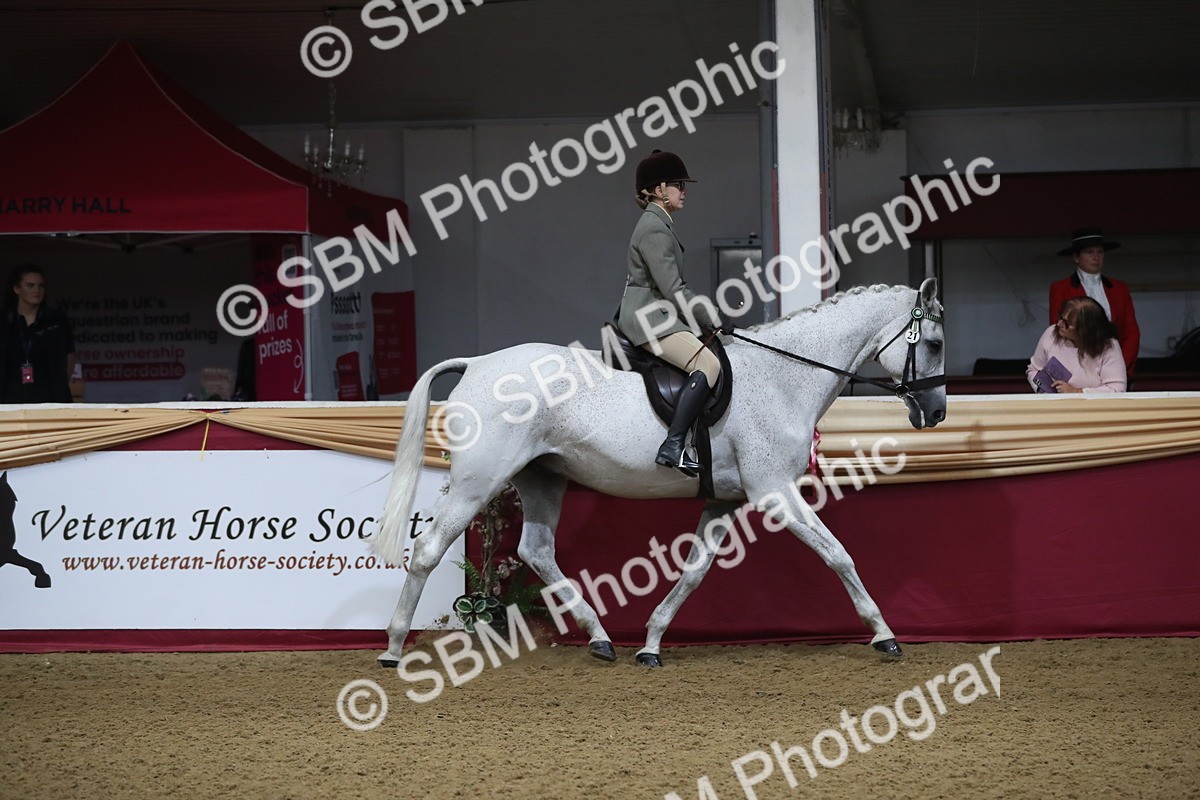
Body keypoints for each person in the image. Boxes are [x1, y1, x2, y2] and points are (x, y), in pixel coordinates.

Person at [616, 150, 727, 474]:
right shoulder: (654, 227)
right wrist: (713, 319)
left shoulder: (659, 223)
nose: (684, 190)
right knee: (708, 363)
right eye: (679, 184)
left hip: (657, 313)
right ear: (659, 189)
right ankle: (674, 444)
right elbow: (674, 289)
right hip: (649, 317)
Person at [1049, 228, 1139, 375]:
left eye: (1100, 252)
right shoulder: (1060, 288)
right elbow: (1059, 330)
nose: (1096, 257)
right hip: (1078, 368)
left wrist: (1121, 365)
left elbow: (1131, 331)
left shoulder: (1119, 288)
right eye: (1089, 252)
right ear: (1076, 257)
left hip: (1117, 365)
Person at [0, 265, 77, 404]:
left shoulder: (56, 319)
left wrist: (61, 384)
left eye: (41, 286)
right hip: (10, 394)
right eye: (30, 286)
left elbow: (69, 353)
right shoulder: (4, 320)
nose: (37, 290)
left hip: (49, 393)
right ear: (17, 289)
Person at [1027, 296, 1126, 393]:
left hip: (1092, 407)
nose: (1059, 324)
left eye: (1067, 323)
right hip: (1053, 405)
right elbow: (1034, 370)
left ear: (1085, 330)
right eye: (1060, 318)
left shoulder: (1108, 346)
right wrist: (1044, 390)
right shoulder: (1051, 333)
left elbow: (1117, 389)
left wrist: (1078, 392)